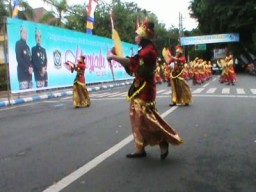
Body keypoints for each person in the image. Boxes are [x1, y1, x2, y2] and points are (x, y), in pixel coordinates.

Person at [107, 19, 183, 160]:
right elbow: (133, 65)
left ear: (143, 36)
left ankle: (162, 140)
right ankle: (140, 147)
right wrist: (117, 55)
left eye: (137, 34)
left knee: (144, 117)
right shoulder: (144, 50)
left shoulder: (148, 51)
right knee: (136, 116)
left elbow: (132, 63)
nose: (135, 37)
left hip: (146, 89)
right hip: (139, 87)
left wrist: (113, 57)